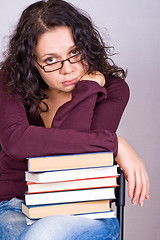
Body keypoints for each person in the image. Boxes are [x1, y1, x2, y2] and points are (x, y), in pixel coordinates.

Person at [0, 0, 150, 239]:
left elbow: (75, 161)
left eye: (74, 53)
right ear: (31, 62)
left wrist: (88, 89)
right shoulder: (10, 81)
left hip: (85, 210)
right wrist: (115, 143)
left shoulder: (112, 90)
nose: (68, 69)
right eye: (51, 60)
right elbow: (16, 141)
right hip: (16, 205)